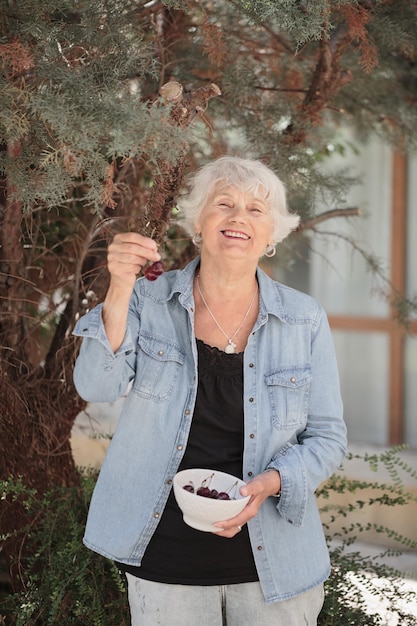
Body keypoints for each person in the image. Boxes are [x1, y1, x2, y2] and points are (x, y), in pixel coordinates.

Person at [73, 155, 347, 626]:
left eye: (256, 209)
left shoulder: (304, 319)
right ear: (198, 222)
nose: (239, 216)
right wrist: (119, 287)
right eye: (224, 204)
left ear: (272, 233)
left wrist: (272, 482)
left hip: (273, 559)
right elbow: (96, 385)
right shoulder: (149, 299)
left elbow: (327, 437)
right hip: (164, 555)